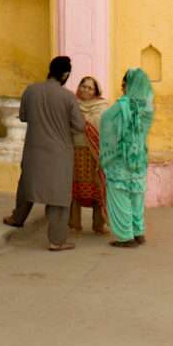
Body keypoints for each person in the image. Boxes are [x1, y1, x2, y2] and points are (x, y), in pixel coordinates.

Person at [3, 55, 84, 251]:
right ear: (65, 74)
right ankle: (57, 240)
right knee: (58, 197)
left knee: (27, 185)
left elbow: (23, 117)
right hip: (59, 154)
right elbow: (79, 126)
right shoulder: (68, 97)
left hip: (33, 149)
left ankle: (17, 218)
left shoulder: (31, 90)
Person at [98, 67, 154, 248]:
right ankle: (138, 233)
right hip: (138, 159)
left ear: (127, 85)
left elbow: (105, 120)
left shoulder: (122, 105)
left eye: (124, 84)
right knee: (136, 195)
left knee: (119, 195)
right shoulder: (147, 107)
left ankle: (125, 237)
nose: (122, 87)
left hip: (120, 159)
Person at [70, 74, 108, 235]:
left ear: (95, 91)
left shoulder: (102, 106)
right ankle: (74, 224)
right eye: (83, 86)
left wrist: (82, 120)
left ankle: (98, 225)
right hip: (75, 151)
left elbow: (102, 124)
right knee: (74, 187)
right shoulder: (72, 103)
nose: (86, 90)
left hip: (95, 152)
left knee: (97, 187)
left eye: (90, 87)